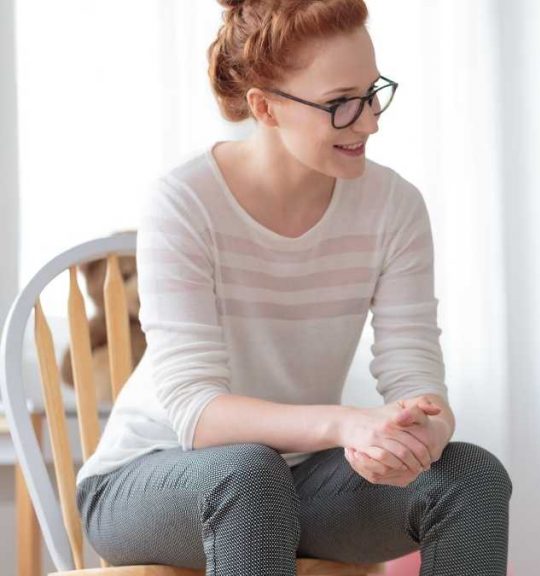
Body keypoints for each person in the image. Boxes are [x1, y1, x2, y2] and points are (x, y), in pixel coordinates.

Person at [75, 1, 511, 574]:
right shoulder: (183, 201)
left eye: (372, 91)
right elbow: (196, 411)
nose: (370, 120)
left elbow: (415, 372)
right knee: (249, 476)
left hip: (294, 481)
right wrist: (342, 423)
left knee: (470, 478)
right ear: (264, 107)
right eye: (340, 104)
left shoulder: (394, 207)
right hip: (150, 478)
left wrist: (419, 431)